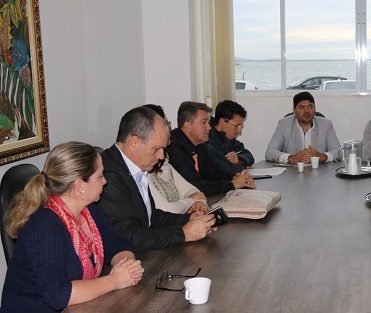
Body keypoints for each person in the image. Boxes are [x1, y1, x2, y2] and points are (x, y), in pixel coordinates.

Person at [1, 142, 144, 312]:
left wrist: (126, 266)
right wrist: (114, 281)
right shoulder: (45, 226)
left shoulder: (88, 211)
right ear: (79, 186)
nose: (105, 181)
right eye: (99, 176)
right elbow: (59, 295)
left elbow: (116, 244)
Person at [98, 105, 216, 252]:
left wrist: (188, 220)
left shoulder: (135, 166)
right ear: (134, 143)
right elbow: (126, 237)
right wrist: (184, 233)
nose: (161, 156)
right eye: (157, 149)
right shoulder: (107, 176)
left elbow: (150, 217)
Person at [167, 101, 255, 196]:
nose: (209, 127)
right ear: (188, 125)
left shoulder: (199, 144)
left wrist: (239, 177)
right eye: (204, 122)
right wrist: (232, 184)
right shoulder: (176, 148)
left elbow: (214, 171)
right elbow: (195, 186)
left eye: (208, 122)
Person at [144, 104, 208, 214]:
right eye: (165, 125)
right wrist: (191, 201)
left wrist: (200, 202)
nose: (169, 130)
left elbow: (195, 191)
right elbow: (167, 210)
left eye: (168, 125)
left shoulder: (163, 162)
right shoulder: (143, 169)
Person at [265, 91, 340, 164]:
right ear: (294, 110)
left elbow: (338, 151)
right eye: (301, 107)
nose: (307, 111)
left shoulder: (326, 124)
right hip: (292, 174)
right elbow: (270, 152)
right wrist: (291, 157)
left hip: (320, 172)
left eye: (310, 106)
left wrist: (323, 156)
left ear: (315, 108)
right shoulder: (284, 124)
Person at [201, 100, 254, 181]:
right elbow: (225, 170)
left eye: (241, 127)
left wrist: (239, 159)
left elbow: (248, 156)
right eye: (237, 126)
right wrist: (242, 169)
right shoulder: (207, 138)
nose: (239, 131)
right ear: (223, 122)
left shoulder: (229, 138)